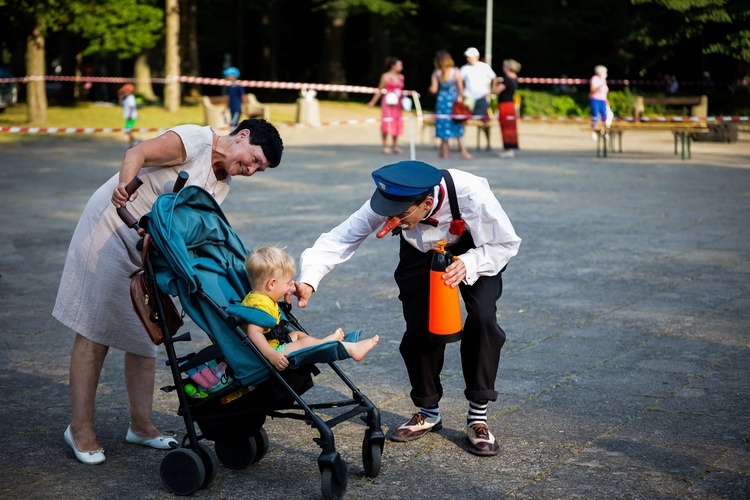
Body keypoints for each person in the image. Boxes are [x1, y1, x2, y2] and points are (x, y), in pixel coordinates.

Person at [54, 118, 284, 465]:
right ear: (243, 135)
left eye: (259, 169)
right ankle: (80, 428)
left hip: (151, 250)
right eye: (254, 159)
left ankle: (141, 426)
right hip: (113, 228)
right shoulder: (195, 140)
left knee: (146, 335)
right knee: (93, 331)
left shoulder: (223, 185)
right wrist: (123, 186)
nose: (251, 169)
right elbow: (138, 152)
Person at [294, 160, 522, 457]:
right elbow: (341, 237)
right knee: (419, 328)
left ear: (427, 203)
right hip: (420, 253)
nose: (390, 220)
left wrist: (469, 264)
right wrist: (309, 279)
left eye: (400, 215)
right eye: (387, 214)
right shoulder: (392, 202)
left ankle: (477, 416)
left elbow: (504, 243)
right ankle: (428, 411)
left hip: (476, 252)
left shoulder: (471, 194)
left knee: (483, 318)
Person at [242, 246, 379, 371]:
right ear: (272, 284)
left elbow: (279, 289)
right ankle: (351, 349)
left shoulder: (258, 296)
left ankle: (322, 343)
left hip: (276, 344)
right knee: (304, 342)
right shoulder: (260, 305)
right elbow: (254, 333)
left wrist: (290, 287)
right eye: (288, 282)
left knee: (297, 334)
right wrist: (272, 355)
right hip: (270, 352)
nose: (291, 285)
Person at [429, 50, 473, 160]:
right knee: (457, 126)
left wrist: (429, 90)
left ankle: (445, 152)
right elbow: (461, 89)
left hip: (441, 102)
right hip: (452, 102)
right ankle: (463, 152)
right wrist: (462, 98)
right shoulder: (455, 71)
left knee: (443, 126)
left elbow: (434, 90)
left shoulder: (436, 73)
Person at [367, 56, 405, 155]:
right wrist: (372, 102)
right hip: (388, 104)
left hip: (397, 104)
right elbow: (380, 90)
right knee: (386, 123)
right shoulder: (385, 77)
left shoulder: (401, 77)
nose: (401, 67)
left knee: (396, 123)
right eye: (399, 65)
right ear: (393, 66)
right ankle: (385, 145)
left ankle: (395, 145)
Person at [460, 47, 496, 150]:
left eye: (470, 57)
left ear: (476, 57)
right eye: (467, 57)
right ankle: (461, 145)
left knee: (485, 122)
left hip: (481, 97)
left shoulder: (484, 67)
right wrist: (462, 93)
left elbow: (494, 78)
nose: (468, 59)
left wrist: (491, 92)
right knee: (463, 120)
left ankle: (488, 143)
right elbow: (459, 81)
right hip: (469, 98)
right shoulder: (464, 68)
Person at [491, 59, 521, 158]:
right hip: (510, 104)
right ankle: (511, 147)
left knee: (506, 127)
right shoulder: (514, 78)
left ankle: (508, 148)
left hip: (505, 105)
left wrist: (494, 83)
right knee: (511, 126)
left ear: (507, 68)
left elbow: (496, 91)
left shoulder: (507, 79)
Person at [588, 65, 609, 140]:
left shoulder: (603, 80)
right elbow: (592, 90)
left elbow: (605, 92)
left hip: (602, 100)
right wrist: (599, 85)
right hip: (595, 99)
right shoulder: (594, 79)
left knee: (604, 116)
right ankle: (593, 131)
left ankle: (604, 131)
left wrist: (606, 100)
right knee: (595, 116)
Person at [118, 83, 138, 148]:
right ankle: (130, 144)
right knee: (129, 130)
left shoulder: (131, 98)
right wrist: (121, 97)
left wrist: (130, 114)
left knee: (127, 130)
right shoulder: (127, 98)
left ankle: (137, 140)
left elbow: (132, 107)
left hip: (131, 117)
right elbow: (121, 104)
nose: (123, 93)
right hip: (129, 117)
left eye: (124, 92)